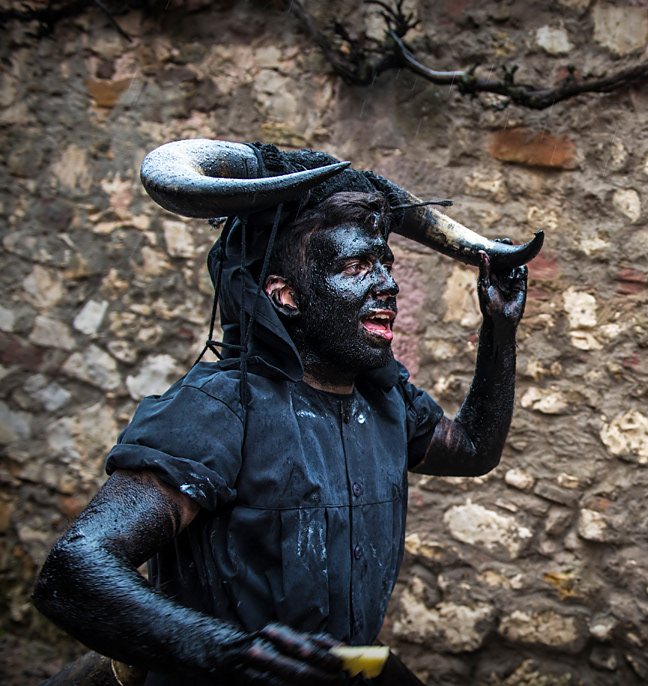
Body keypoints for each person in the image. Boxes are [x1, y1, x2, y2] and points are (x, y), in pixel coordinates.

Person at [31, 139, 544, 686]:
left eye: (386, 265)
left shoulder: (384, 400)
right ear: (284, 294)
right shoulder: (221, 409)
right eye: (356, 265)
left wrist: (500, 329)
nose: (387, 284)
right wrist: (225, 653)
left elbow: (471, 450)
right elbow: (74, 571)